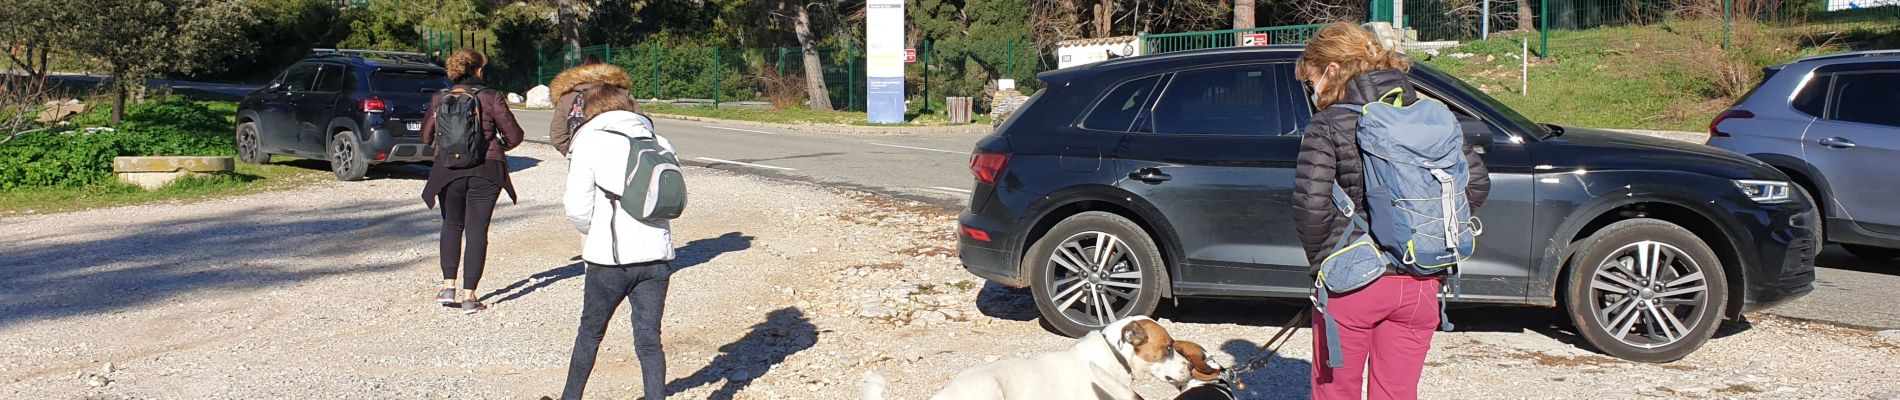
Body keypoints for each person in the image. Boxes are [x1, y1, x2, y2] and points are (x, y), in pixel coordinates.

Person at [1291, 23, 1490, 400]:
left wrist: (1325, 264)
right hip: (1422, 280)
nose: (1311, 89)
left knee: (1336, 392)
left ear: (1332, 70)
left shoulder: (1328, 125)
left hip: (1353, 282)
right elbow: (1476, 187)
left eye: (1311, 78)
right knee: (1397, 393)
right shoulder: (1433, 117)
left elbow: (1310, 209)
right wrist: (1422, 229)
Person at [560, 86, 675, 400]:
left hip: (610, 258)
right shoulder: (659, 141)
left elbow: (578, 208)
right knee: (649, 339)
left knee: (590, 335)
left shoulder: (589, 142)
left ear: (592, 111)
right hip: (656, 256)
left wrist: (592, 235)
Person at [420, 49, 526, 314]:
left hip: (447, 171)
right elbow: (515, 135)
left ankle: (447, 287)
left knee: (452, 225)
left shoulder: (439, 98)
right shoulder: (491, 97)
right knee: (477, 229)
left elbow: (425, 137)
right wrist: (496, 145)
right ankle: (470, 296)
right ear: (479, 70)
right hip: (486, 170)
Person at [548, 60, 632, 157]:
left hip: (582, 153)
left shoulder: (567, 96)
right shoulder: (623, 93)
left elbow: (558, 135)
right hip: (621, 154)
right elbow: (641, 124)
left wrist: (573, 154)